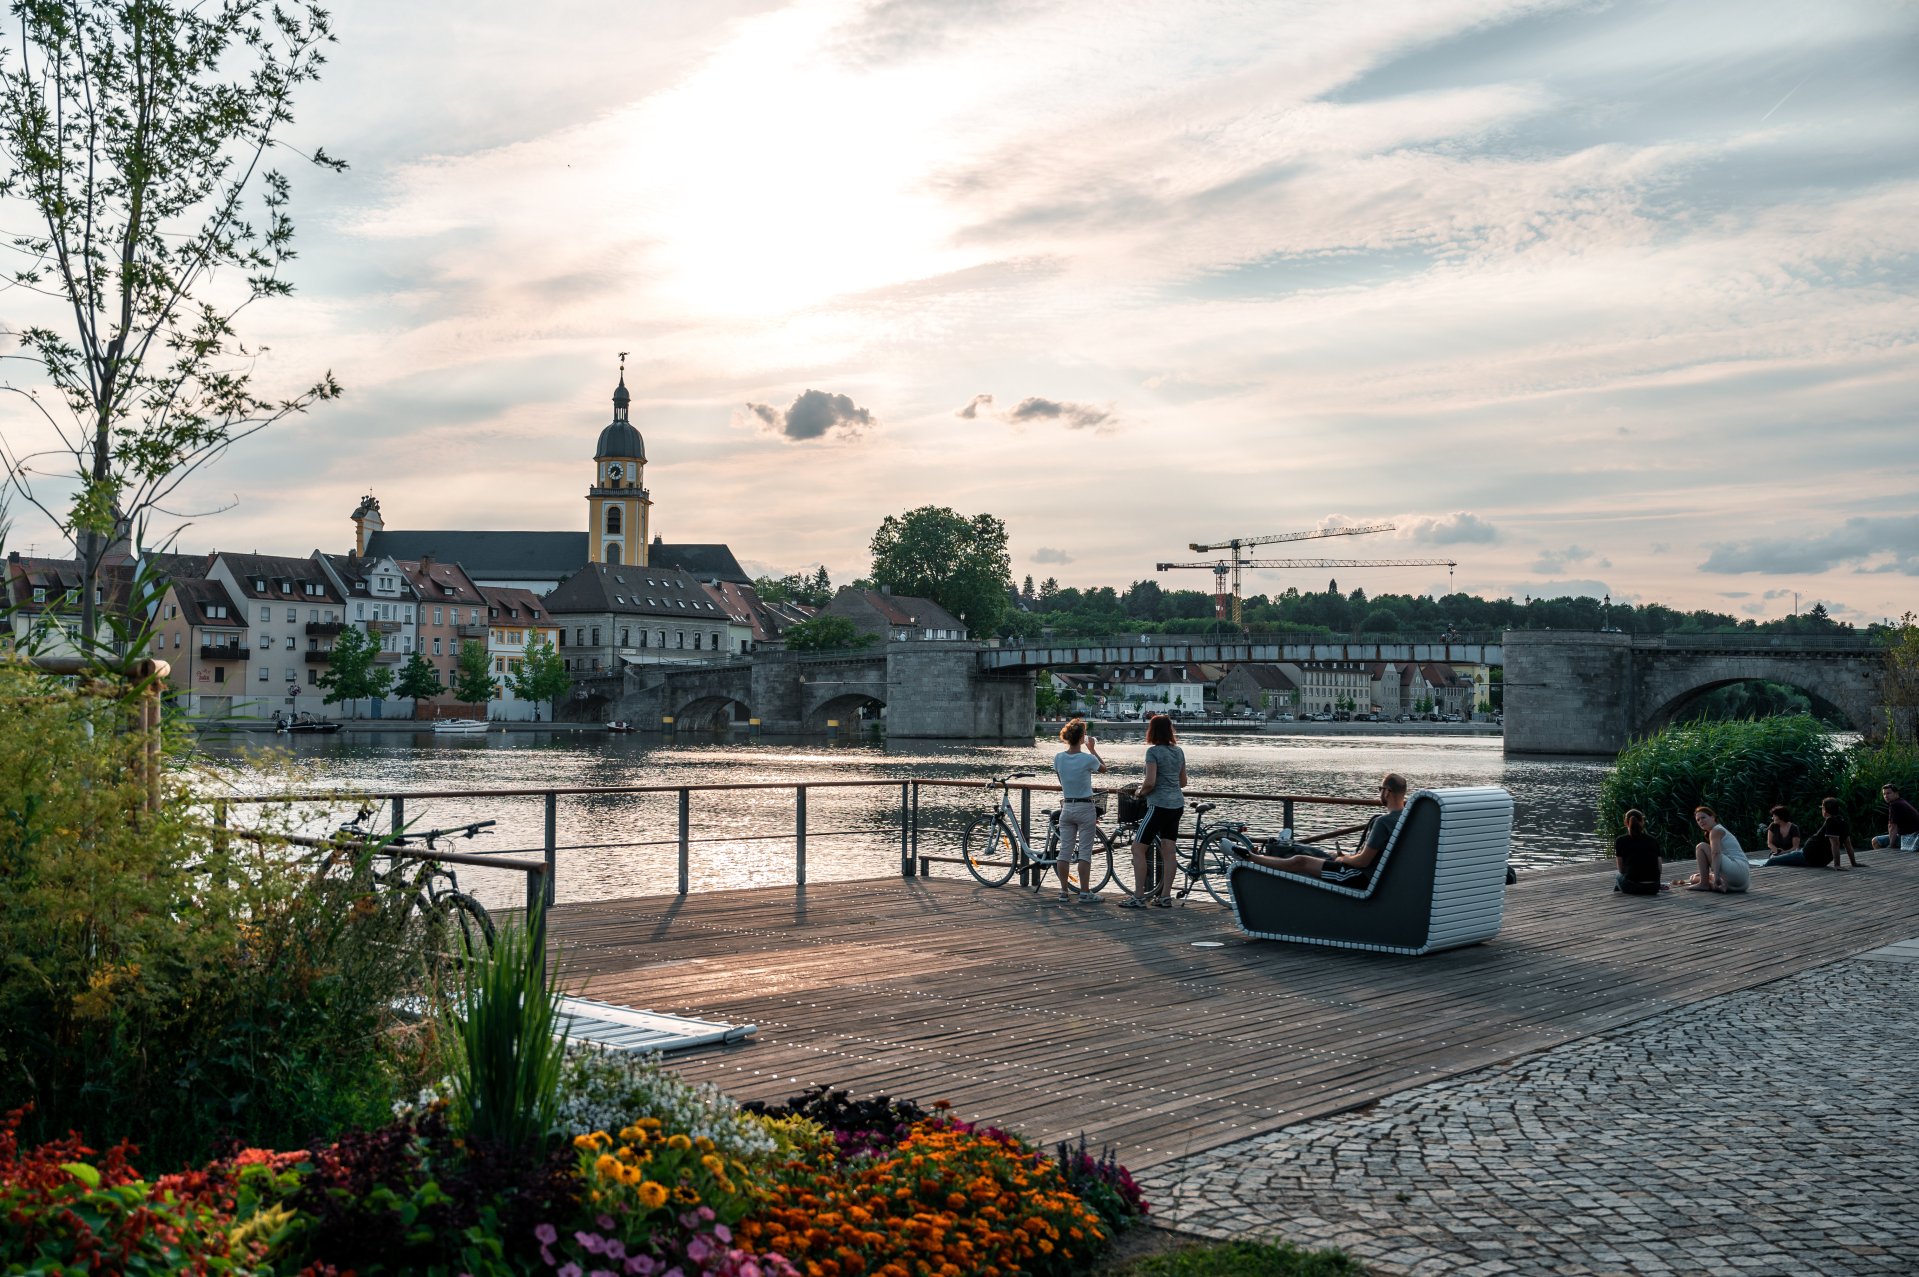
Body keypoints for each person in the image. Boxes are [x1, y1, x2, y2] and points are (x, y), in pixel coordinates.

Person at [1236, 773, 1409, 885]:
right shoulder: (1407, 818)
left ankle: (1252, 858)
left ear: (1387, 792)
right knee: (1323, 854)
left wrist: (1344, 859)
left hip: (1360, 876)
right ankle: (1266, 856)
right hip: (1380, 876)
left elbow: (1363, 862)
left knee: (1301, 861)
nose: (1380, 793)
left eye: (1380, 789)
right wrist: (1342, 857)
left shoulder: (1383, 822)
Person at [1119, 714, 1185, 909]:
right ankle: (1165, 897)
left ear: (1152, 731)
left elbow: (1150, 782)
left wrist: (1139, 792)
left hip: (1158, 806)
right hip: (1176, 805)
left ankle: (1139, 896)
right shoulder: (1179, 751)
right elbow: (1183, 782)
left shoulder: (1153, 752)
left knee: (1137, 849)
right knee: (1169, 851)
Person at [1051, 718, 1106, 903]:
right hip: (1085, 807)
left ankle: (1063, 892)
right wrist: (1092, 749)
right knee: (1084, 852)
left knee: (1064, 851)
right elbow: (1104, 769)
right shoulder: (1088, 759)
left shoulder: (1059, 758)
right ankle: (1084, 892)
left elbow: (1062, 780)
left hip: (1067, 806)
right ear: (1082, 737)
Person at [1675, 805, 1750, 893]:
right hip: (1743, 882)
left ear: (1713, 817)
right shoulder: (1718, 830)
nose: (1701, 821)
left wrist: (1716, 876)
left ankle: (1704, 884)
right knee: (1694, 878)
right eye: (1698, 820)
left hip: (1736, 868)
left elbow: (1716, 853)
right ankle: (1714, 884)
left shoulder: (1716, 831)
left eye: (1703, 817)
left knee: (1701, 846)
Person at [1763, 797, 1852, 869]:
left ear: (1825, 810)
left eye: (1822, 808)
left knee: (1772, 860)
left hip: (1807, 856)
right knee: (1785, 857)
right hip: (1813, 857)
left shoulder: (1831, 821)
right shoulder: (1843, 821)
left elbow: (1835, 844)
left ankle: (1762, 868)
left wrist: (1837, 864)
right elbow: (1848, 845)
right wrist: (1853, 862)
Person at [1613, 809, 1668, 895]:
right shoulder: (1653, 840)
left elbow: (1621, 869)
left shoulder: (1620, 840)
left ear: (1625, 823)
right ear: (1642, 822)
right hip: (1654, 887)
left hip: (1634, 887)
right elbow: (1659, 869)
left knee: (1618, 876)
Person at [1872, 782, 1919, 851]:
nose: (1886, 796)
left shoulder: (1895, 805)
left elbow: (1892, 826)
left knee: (1875, 841)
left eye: (1888, 793)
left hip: (1912, 838)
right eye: (1884, 794)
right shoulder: (1901, 801)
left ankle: (1886, 857)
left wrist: (1891, 845)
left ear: (1896, 793)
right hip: (1912, 835)